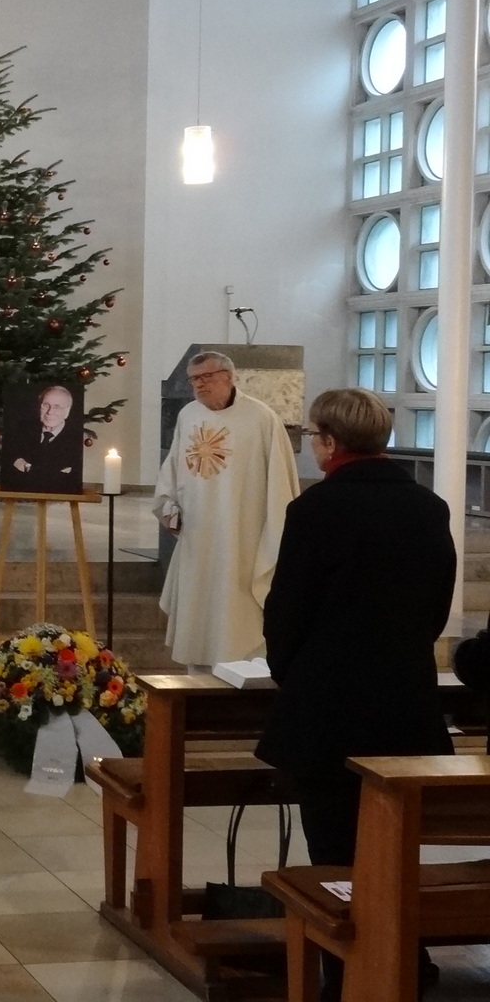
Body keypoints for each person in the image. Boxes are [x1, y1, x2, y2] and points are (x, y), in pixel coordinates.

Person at [256, 388, 454, 1002]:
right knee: (396, 842)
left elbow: (287, 609)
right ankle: (408, 957)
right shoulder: (428, 507)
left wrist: (294, 673)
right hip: (406, 704)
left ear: (330, 441)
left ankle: (348, 974)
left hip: (329, 707)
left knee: (335, 847)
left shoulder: (316, 509)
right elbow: (437, 605)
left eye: (313, 436)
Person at [153, 350, 299, 668]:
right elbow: (172, 472)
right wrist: (167, 507)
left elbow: (280, 485)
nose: (198, 385)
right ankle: (195, 686)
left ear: (229, 377)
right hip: (197, 541)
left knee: (237, 620)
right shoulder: (188, 416)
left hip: (242, 541)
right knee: (197, 621)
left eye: (206, 377)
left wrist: (277, 533)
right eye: (193, 379)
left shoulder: (261, 419)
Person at [1, 383, 81, 491]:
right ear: (39, 407)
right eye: (46, 405)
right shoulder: (21, 432)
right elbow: (9, 468)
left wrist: (27, 468)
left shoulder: (76, 441)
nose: (50, 412)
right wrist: (54, 473)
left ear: (67, 411)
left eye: (57, 407)